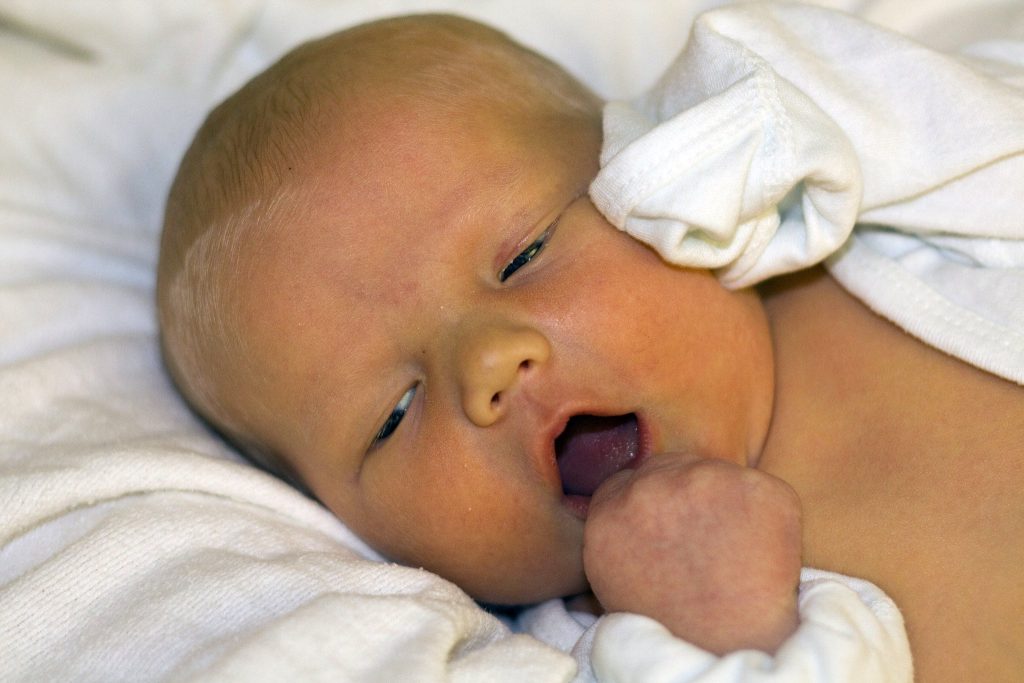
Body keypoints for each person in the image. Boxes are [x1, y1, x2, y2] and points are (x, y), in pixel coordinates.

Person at [156, 7, 1023, 681]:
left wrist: (747, 131)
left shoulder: (891, 221)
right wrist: (725, 631)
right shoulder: (609, 643)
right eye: (394, 413)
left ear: (636, 164)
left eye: (524, 252)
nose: (488, 364)